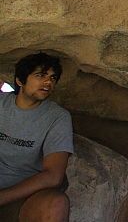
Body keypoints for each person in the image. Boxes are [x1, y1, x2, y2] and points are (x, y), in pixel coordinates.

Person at [0, 53, 73, 222]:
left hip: (22, 197)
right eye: (40, 75)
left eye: (52, 77)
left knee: (56, 204)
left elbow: (53, 176)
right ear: (20, 81)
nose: (48, 82)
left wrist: (2, 197)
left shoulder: (57, 117)